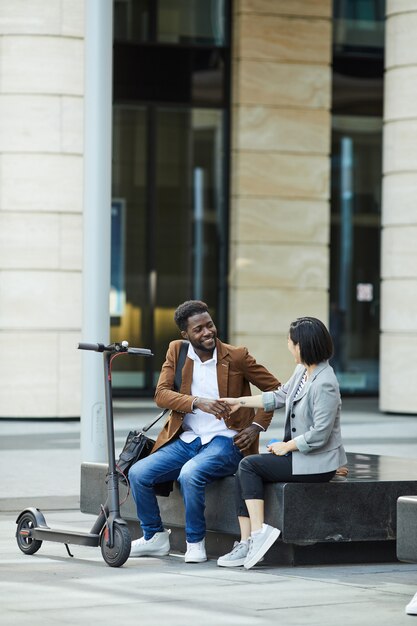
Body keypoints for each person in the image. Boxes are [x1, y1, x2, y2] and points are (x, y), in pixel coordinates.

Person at [128, 300, 280, 563]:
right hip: (187, 439)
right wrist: (197, 402)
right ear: (185, 335)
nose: (208, 332)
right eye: (199, 329)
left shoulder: (237, 356)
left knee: (190, 474)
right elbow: (161, 394)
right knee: (138, 472)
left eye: (209, 325)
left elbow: (276, 392)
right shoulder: (177, 351)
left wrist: (256, 426)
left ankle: (195, 542)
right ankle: (155, 536)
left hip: (226, 440)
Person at [217, 316, 347, 569]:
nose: (288, 345)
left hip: (316, 463)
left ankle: (257, 535)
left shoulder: (325, 383)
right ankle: (246, 542)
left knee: (249, 466)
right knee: (245, 467)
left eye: (290, 341)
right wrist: (239, 401)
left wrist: (286, 446)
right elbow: (279, 396)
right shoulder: (303, 371)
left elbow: (320, 433)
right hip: (302, 457)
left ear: (303, 345)